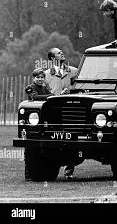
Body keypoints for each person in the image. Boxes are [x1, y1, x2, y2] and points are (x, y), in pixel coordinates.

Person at [45, 48, 78, 179]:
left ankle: (69, 170)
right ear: (53, 58)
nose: (62, 53)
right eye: (58, 53)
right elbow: (45, 93)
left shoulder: (74, 71)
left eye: (62, 52)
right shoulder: (46, 74)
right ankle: (53, 167)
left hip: (72, 110)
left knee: (73, 139)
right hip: (54, 112)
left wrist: (70, 92)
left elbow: (79, 89)